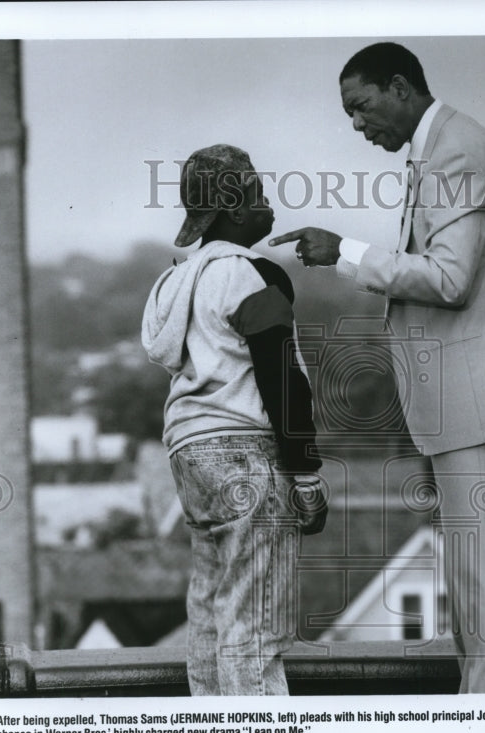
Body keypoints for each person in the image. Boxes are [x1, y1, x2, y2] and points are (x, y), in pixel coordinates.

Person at [270, 42, 485, 693]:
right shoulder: (462, 141)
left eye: (362, 106)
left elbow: (452, 279)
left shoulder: (456, 153)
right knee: (471, 562)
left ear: (401, 88)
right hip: (470, 386)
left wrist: (343, 251)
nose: (357, 124)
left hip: (471, 389)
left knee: (482, 565)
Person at [142, 144, 326, 695]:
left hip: (187, 454)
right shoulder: (250, 275)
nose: (270, 206)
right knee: (256, 622)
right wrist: (306, 473)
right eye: (259, 195)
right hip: (246, 455)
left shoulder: (172, 283)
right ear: (236, 210)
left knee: (210, 609)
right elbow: (280, 377)